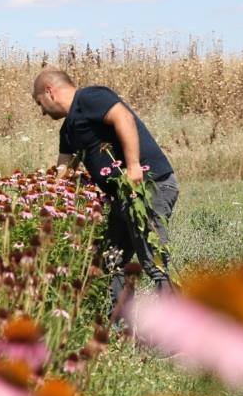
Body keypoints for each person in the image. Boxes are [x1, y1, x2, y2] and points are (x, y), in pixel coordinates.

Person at [32, 68, 178, 320]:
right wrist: (41, 197)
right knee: (111, 261)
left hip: (147, 187)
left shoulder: (90, 97)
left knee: (153, 259)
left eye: (39, 103)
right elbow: (63, 170)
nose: (42, 111)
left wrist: (133, 167)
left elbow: (123, 118)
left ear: (49, 91)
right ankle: (120, 329)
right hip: (123, 197)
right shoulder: (68, 130)